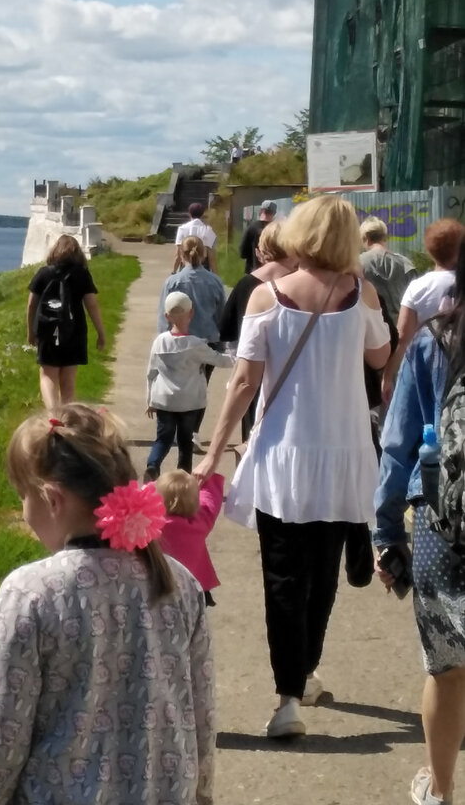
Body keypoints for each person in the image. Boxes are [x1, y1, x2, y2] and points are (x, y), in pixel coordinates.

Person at [194, 195, 390, 740]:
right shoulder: (361, 294)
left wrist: (213, 451)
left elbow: (243, 382)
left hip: (283, 453)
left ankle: (287, 698)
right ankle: (304, 672)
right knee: (322, 574)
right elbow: (380, 356)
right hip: (343, 452)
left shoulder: (266, 296)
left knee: (282, 576)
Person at [0, 404, 215, 805]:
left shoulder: (29, 595)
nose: (25, 514)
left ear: (52, 498)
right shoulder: (180, 585)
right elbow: (200, 717)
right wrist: (201, 795)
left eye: (23, 496)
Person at [373, 241, 465, 805]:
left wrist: (386, 534)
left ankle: (442, 790)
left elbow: (398, 443)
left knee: (447, 669)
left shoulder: (434, 338)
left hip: (441, 521)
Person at [219, 221, 296, 443]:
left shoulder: (245, 285)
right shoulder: (305, 284)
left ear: (261, 250)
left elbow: (229, 334)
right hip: (294, 378)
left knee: (252, 442)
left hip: (254, 376)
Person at [145, 291, 233, 478]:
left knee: (162, 439)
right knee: (185, 443)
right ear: (191, 314)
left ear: (166, 316)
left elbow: (151, 373)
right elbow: (219, 360)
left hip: (164, 400)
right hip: (190, 401)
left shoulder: (159, 342)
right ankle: (182, 481)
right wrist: (240, 357)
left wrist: (150, 400)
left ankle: (152, 467)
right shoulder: (195, 345)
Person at [381, 218, 465, 406]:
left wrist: (388, 376)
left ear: (429, 251)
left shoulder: (418, 287)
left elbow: (402, 337)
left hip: (424, 366)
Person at [27, 235, 105, 413]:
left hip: (47, 330)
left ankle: (53, 415)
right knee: (68, 380)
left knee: (48, 374)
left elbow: (31, 304)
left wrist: (31, 331)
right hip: (74, 331)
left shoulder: (43, 273)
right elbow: (91, 304)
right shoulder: (82, 275)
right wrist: (101, 332)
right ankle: (67, 419)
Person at [156, 468, 225, 608]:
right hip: (194, 586)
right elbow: (210, 500)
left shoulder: (151, 525)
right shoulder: (200, 523)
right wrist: (208, 479)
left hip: (161, 586)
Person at [359, 215, 416, 322]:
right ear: (385, 237)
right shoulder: (406, 264)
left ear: (366, 238)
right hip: (400, 328)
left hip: (369, 330)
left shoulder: (357, 264)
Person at [173, 202, 219, 274]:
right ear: (203, 214)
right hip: (203, 268)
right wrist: (216, 276)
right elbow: (211, 258)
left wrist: (174, 272)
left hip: (185, 267)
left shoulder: (182, 229)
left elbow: (178, 256)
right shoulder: (208, 230)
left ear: (189, 214)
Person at [238, 201, 277, 274]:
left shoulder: (251, 228)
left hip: (253, 272)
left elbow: (242, 253)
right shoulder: (277, 230)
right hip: (272, 273)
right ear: (274, 213)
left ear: (261, 211)